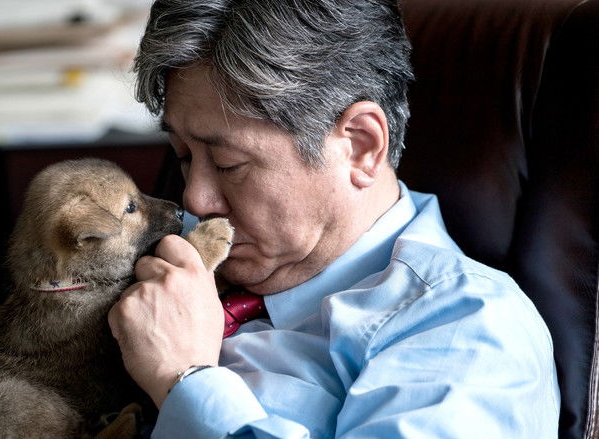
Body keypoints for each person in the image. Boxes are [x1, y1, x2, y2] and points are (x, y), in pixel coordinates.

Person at [107, 0, 560, 437]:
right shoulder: (168, 253)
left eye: (229, 164)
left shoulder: (468, 330)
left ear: (361, 145)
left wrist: (185, 378)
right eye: (184, 156)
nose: (194, 199)